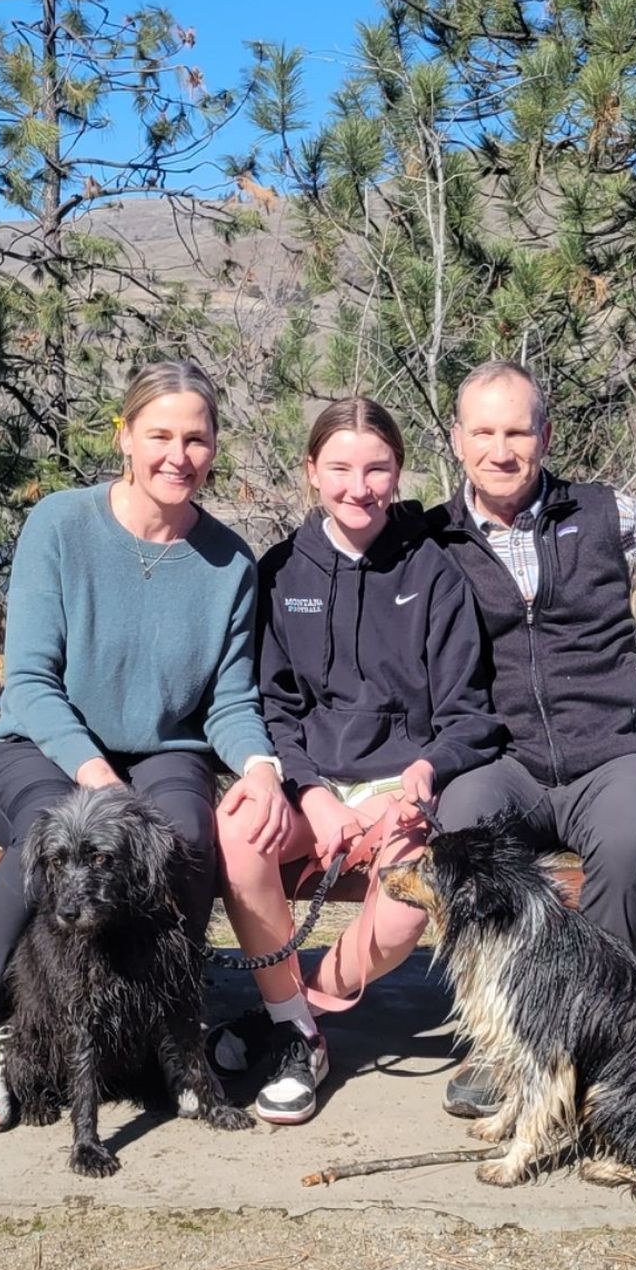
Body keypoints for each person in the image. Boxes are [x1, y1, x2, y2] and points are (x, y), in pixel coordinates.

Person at [0, 359, 288, 1133]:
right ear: (126, 436)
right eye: (160, 434)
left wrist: (263, 766)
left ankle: (163, 1030)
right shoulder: (61, 526)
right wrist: (97, 780)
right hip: (45, 745)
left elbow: (230, 698)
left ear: (213, 447)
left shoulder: (229, 561)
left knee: (187, 838)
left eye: (196, 438)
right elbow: (29, 683)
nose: (179, 454)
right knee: (54, 835)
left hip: (162, 748)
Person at [212, 397, 502, 1124]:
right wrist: (310, 794)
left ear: (399, 473)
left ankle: (287, 1014)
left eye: (377, 469)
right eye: (339, 467)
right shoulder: (281, 571)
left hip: (399, 793)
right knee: (238, 835)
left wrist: (421, 774)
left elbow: (470, 713)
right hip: (311, 787)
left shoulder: (433, 572)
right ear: (312, 472)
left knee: (405, 914)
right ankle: (301, 1039)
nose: (358, 486)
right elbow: (272, 708)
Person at [427, 360, 636, 1117]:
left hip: (616, 752)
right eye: (484, 431)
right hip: (504, 760)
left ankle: (586, 1039)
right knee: (462, 825)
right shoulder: (432, 537)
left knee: (633, 838)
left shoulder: (612, 515)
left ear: (546, 434)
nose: (501, 449)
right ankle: (500, 1037)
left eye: (517, 430)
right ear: (457, 438)